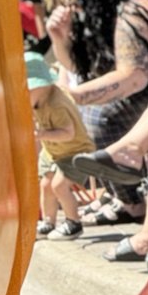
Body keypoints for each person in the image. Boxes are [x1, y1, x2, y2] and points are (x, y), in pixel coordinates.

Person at [46, 0, 148, 226]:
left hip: (142, 90)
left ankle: (133, 203)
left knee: (98, 118)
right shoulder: (100, 16)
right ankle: (124, 198)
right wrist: (61, 39)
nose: (73, 7)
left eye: (76, 0)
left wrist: (71, 97)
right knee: (85, 113)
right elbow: (82, 70)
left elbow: (133, 78)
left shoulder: (131, 12)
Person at [24, 50, 95, 240]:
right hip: (52, 151)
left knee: (59, 186)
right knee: (46, 184)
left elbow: (68, 133)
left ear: (41, 86)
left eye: (26, 90)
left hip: (75, 151)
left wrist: (41, 135)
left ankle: (73, 222)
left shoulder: (56, 105)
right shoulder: (39, 100)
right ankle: (49, 221)